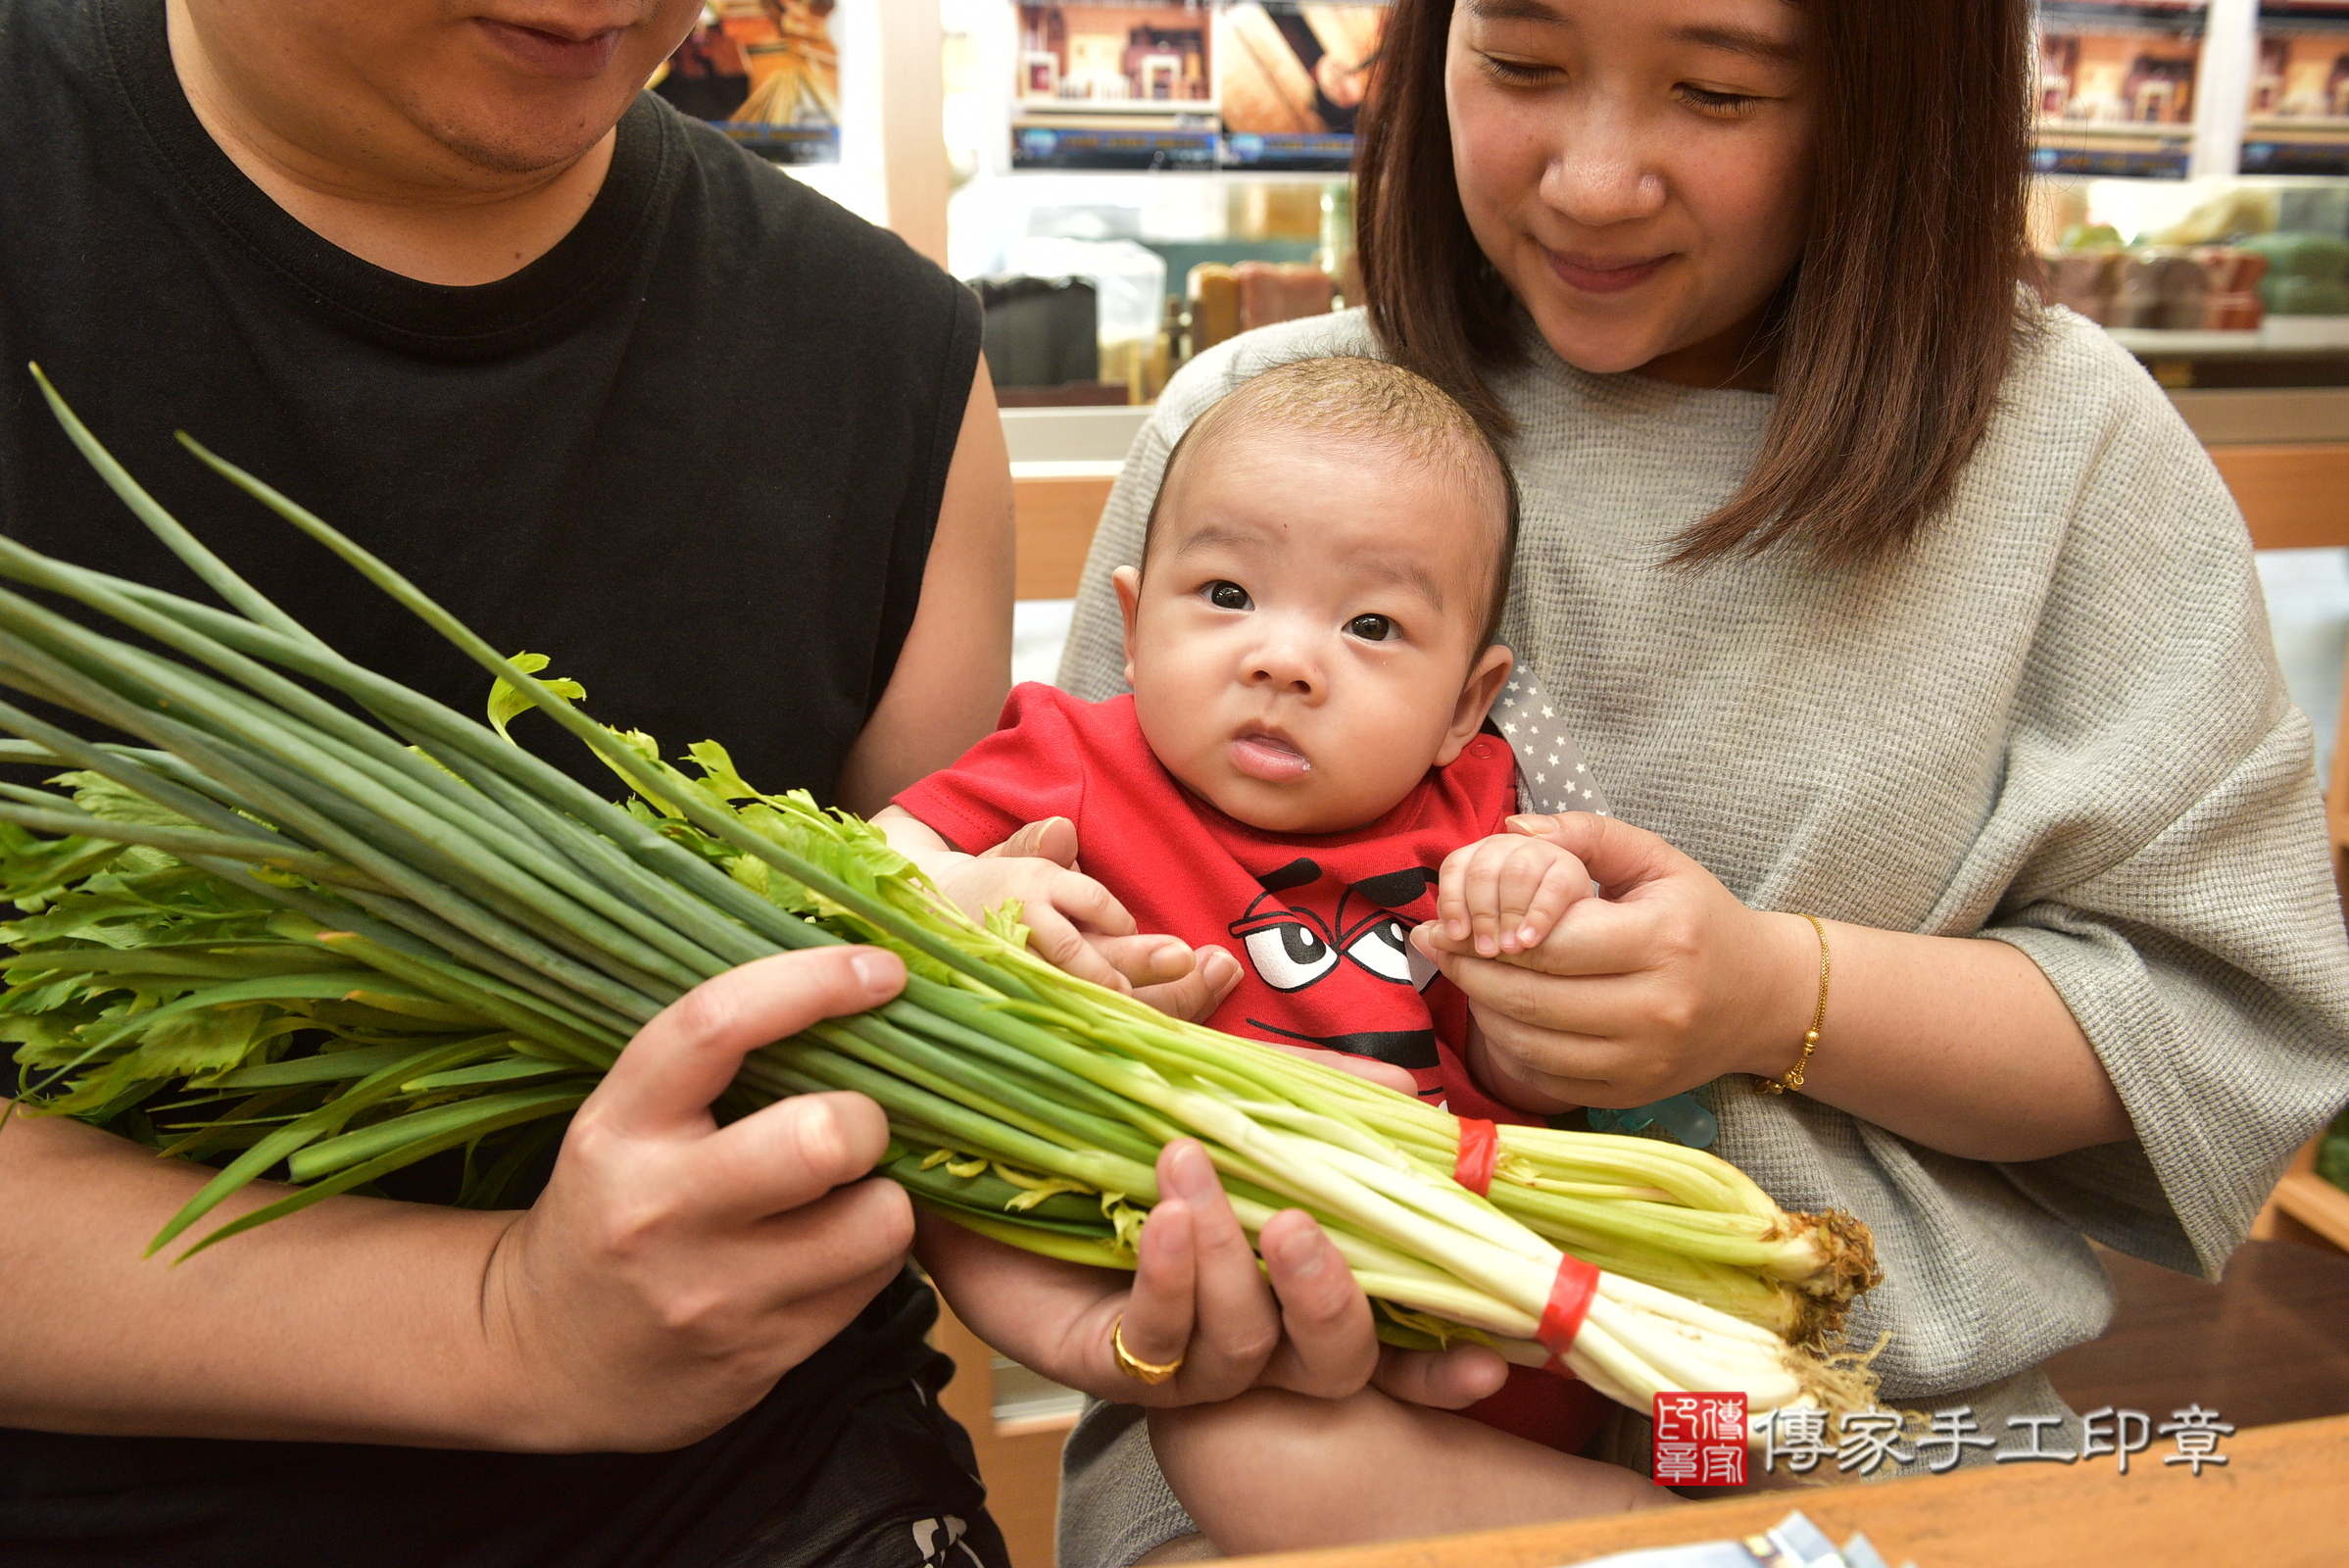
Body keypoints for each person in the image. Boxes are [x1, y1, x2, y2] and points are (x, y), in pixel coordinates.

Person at [0, 4, 1501, 1564]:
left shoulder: (885, 347)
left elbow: (914, 1071)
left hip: (786, 1489)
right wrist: (502, 1324)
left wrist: (1071, 1142)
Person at [1050, 0, 2349, 1558]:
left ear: (1895, 102)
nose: (1594, 180)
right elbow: (1071, 921)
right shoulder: (1257, 432)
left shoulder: (2061, 451)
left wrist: (1770, 995)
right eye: (1520, 67)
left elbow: (2212, 1033)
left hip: (1852, 1446)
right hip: (1302, 1429)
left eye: (1719, 92)